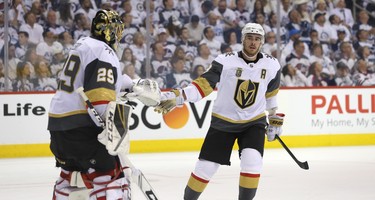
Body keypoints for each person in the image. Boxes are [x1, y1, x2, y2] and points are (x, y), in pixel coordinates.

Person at [155, 23, 284, 200]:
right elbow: (203, 85)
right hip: (223, 121)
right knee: (205, 168)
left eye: (257, 39)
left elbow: (271, 95)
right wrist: (179, 96)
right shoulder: (225, 61)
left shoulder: (272, 65)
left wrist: (274, 117)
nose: (253, 43)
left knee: (252, 163)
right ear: (243, 39)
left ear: (261, 42)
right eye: (249, 38)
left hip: (254, 122)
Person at [47, 10, 140, 200]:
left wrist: (132, 85)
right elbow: (100, 96)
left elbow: (95, 80)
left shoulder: (83, 45)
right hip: (81, 127)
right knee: (111, 179)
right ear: (110, 31)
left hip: (58, 128)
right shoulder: (103, 51)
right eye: (116, 29)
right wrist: (110, 127)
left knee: (69, 178)